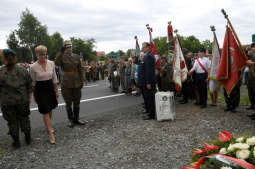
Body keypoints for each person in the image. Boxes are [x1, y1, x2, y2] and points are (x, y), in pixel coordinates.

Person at [0, 49, 33, 148]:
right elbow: (30, 86)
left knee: (12, 122)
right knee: (24, 119)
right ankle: (28, 139)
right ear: (15, 58)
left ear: (4, 59)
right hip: (22, 100)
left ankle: (16, 142)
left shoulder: (1, 72)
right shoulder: (23, 70)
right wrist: (29, 98)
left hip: (7, 102)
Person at [30, 45, 58, 144]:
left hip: (50, 87)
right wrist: (33, 95)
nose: (43, 56)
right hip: (40, 90)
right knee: (45, 111)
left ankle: (48, 126)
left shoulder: (51, 63)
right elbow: (33, 82)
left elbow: (54, 78)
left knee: (50, 108)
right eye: (40, 54)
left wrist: (57, 91)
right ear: (36, 54)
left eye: (44, 54)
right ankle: (51, 133)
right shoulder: (33, 67)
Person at [55, 40, 84, 128]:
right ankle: (70, 120)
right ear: (64, 48)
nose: (69, 48)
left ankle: (76, 119)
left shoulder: (77, 56)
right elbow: (56, 63)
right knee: (68, 103)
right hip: (66, 83)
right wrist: (61, 52)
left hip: (77, 82)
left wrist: (82, 81)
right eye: (67, 47)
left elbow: (80, 69)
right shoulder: (62, 56)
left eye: (70, 46)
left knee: (77, 102)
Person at [140, 42, 156, 120]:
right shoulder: (147, 56)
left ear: (148, 47)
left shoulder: (149, 56)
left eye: (143, 47)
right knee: (148, 97)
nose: (142, 48)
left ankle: (151, 115)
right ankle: (149, 112)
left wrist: (148, 82)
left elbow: (149, 71)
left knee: (150, 98)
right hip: (146, 81)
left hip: (148, 81)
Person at [246, 43, 255, 112]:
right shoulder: (251, 54)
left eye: (253, 47)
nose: (253, 49)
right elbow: (246, 57)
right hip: (250, 75)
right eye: (252, 48)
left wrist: (252, 63)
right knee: (250, 91)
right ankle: (253, 105)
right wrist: (247, 51)